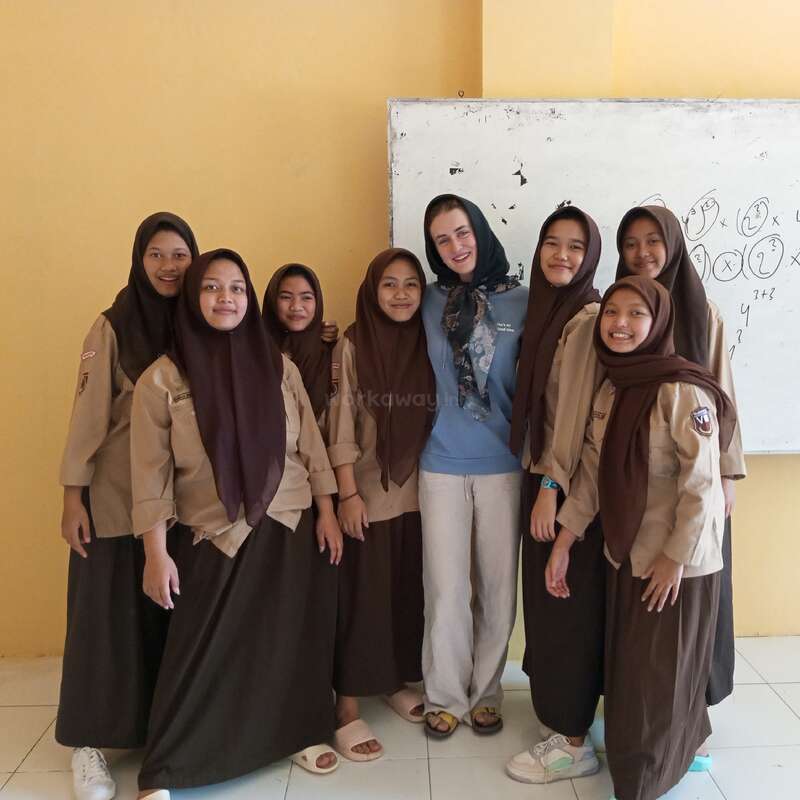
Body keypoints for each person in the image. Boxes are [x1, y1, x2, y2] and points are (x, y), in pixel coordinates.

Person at [131, 249, 343, 798]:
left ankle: (297, 732)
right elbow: (149, 474)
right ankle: (170, 766)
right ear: (192, 297)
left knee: (288, 640)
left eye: (237, 288)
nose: (226, 298)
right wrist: (156, 551)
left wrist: (327, 510)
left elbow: (310, 444)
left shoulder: (277, 365)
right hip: (215, 530)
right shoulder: (163, 378)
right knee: (199, 654)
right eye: (212, 287)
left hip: (289, 520)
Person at [551, 275, 736, 800]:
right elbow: (592, 476)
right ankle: (657, 757)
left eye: (636, 314)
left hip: (676, 566)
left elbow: (703, 488)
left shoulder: (683, 390)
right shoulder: (614, 388)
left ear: (658, 323)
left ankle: (643, 782)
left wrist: (674, 559)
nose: (620, 324)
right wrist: (564, 542)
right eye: (612, 312)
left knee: (658, 680)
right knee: (636, 676)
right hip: (627, 556)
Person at [56, 212, 198, 800]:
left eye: (180, 254)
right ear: (140, 261)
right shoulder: (113, 324)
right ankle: (88, 745)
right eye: (156, 254)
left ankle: (154, 733)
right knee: (105, 621)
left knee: (165, 618)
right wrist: (73, 497)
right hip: (115, 500)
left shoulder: (199, 320)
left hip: (177, 502)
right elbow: (87, 414)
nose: (169, 266)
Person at [616, 205, 747, 769]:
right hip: (637, 487)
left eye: (653, 241)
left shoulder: (700, 311)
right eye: (631, 243)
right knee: (645, 609)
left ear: (672, 245)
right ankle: (649, 715)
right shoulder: (621, 309)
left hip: (697, 480)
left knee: (695, 600)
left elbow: (723, 394)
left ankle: (693, 715)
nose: (642, 253)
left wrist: (728, 473)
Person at [419, 194, 528, 738]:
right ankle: (444, 696)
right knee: (445, 589)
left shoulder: (523, 302)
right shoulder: (426, 299)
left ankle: (486, 692)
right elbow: (379, 328)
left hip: (503, 464)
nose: (455, 246)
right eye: (442, 239)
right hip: (439, 463)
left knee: (497, 588)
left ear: (480, 231)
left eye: (462, 232)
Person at [506, 206, 604, 783]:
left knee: (564, 605)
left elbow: (572, 417)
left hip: (561, 483)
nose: (561, 255)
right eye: (552, 243)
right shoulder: (548, 312)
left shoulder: (586, 318)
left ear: (590, 256)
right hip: (540, 474)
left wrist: (550, 488)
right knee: (548, 603)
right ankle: (562, 718)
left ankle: (572, 743)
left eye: (575, 246)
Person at [327, 248, 436, 760]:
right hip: (368, 493)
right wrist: (347, 493)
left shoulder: (429, 339)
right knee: (361, 600)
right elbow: (340, 422)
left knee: (403, 594)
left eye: (411, 284)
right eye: (389, 284)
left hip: (420, 492)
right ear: (372, 290)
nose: (401, 294)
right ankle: (347, 707)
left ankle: (393, 681)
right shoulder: (352, 344)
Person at [262, 263, 339, 437]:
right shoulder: (256, 353)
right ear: (272, 301)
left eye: (306, 297)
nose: (296, 306)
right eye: (285, 297)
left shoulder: (333, 352)